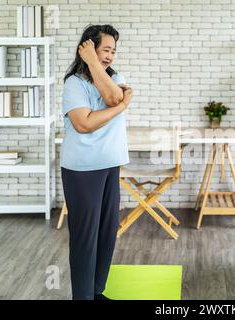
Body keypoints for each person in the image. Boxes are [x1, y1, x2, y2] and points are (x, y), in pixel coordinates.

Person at [60, 24, 132, 300]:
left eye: (113, 51)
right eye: (105, 50)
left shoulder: (115, 78)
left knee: (106, 233)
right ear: (87, 48)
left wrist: (117, 102)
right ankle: (83, 297)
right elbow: (84, 124)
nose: (110, 56)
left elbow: (112, 97)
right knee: (85, 238)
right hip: (82, 170)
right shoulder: (74, 84)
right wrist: (123, 106)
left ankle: (96, 292)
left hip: (109, 164)